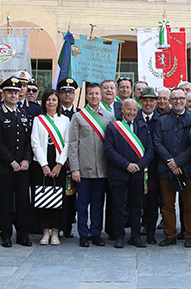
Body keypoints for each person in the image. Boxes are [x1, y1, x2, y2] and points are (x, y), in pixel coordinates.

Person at [67, 82, 114, 247]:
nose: (94, 96)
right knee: (82, 204)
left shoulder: (109, 117)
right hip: (83, 170)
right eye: (91, 94)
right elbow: (72, 144)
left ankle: (96, 234)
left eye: (96, 93)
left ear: (101, 95)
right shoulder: (78, 117)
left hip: (102, 170)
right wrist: (75, 168)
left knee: (98, 204)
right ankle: (83, 234)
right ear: (86, 96)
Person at [0, 76, 33, 247]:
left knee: (23, 202)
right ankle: (5, 233)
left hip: (22, 167)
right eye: (10, 92)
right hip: (4, 167)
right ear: (3, 94)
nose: (13, 95)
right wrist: (11, 161)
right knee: (3, 202)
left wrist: (26, 159)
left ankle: (22, 234)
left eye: (16, 92)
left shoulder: (23, 114)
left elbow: (28, 139)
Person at [103, 98, 153, 248]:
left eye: (134, 110)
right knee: (118, 206)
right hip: (119, 173)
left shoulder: (143, 127)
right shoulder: (113, 128)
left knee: (137, 206)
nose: (131, 112)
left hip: (137, 173)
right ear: (122, 110)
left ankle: (136, 236)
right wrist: (126, 165)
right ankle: (119, 236)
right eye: (128, 109)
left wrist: (139, 165)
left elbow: (150, 150)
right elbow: (109, 150)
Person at [153, 86, 191, 247]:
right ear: (170, 102)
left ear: (185, 100)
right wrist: (171, 162)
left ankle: (189, 235)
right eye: (175, 99)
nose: (178, 101)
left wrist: (178, 161)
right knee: (167, 204)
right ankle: (170, 235)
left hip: (187, 169)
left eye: (181, 98)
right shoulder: (162, 120)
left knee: (189, 204)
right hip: (166, 169)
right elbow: (157, 142)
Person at [30, 89, 69, 246]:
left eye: (54, 99)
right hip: (41, 165)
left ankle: (55, 231)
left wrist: (59, 164)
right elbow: (35, 143)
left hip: (59, 164)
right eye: (48, 100)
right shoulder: (38, 120)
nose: (51, 102)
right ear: (44, 102)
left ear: (58, 102)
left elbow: (68, 143)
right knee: (42, 197)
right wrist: (44, 165)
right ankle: (45, 231)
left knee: (58, 198)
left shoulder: (65, 120)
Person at [135, 87, 163, 242]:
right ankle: (136, 232)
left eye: (151, 100)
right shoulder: (133, 118)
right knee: (136, 202)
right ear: (140, 101)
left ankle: (151, 234)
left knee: (152, 203)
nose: (148, 103)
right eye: (145, 100)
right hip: (137, 167)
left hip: (154, 168)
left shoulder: (161, 120)